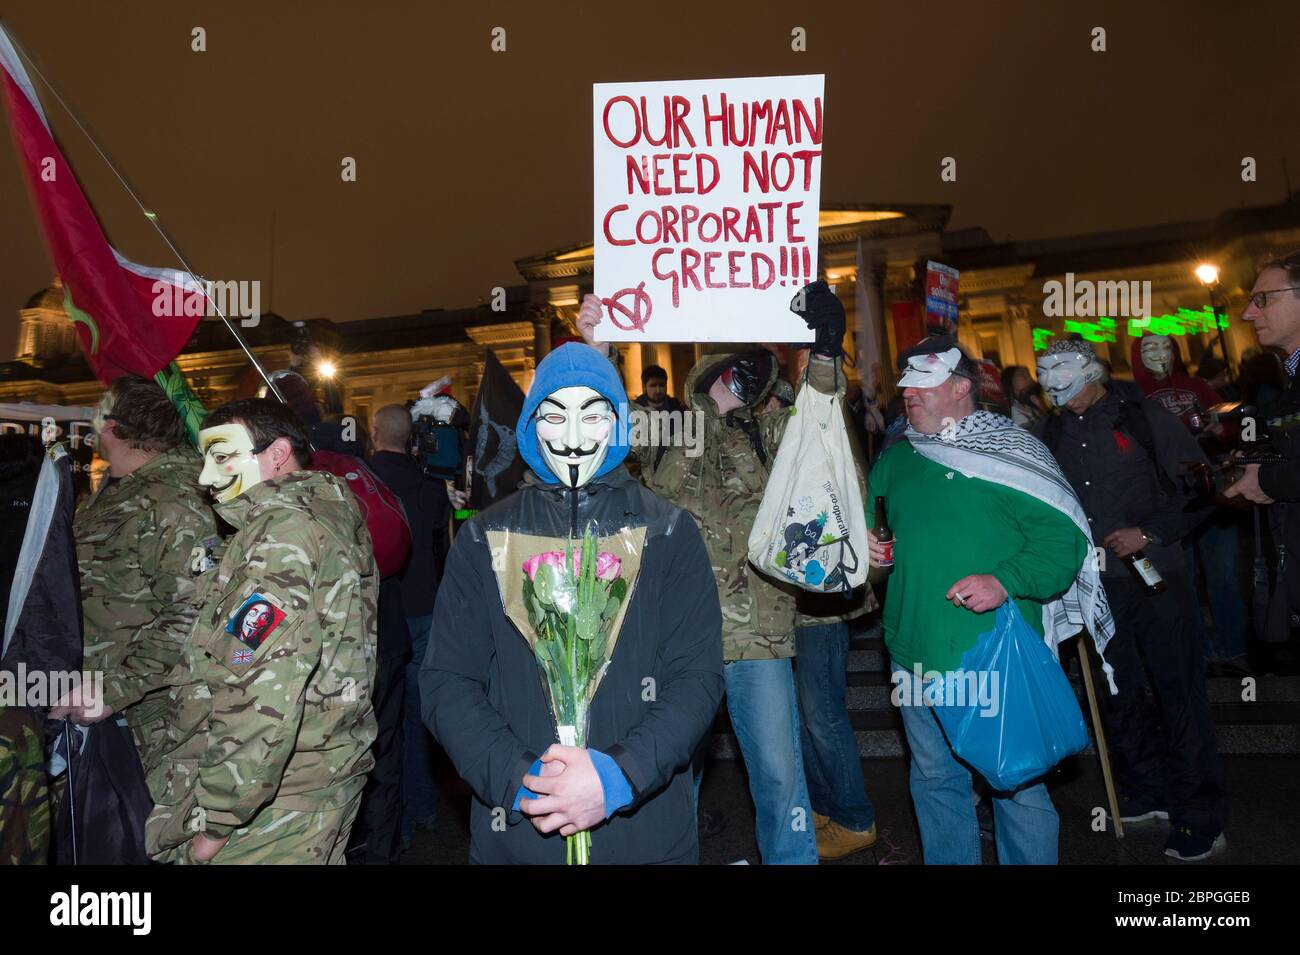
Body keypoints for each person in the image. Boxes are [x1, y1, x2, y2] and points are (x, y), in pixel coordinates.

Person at [578, 281, 849, 865]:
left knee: (780, 781)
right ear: (707, 373)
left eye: (756, 372)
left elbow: (819, 427)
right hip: (676, 644)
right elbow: (602, 429)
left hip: (758, 640)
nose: (747, 379)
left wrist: (824, 349)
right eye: (736, 369)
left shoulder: (770, 434)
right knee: (667, 782)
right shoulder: (667, 431)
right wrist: (597, 350)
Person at [421, 343, 725, 864]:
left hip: (645, 832)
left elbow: (697, 676)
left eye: (594, 414)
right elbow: (448, 679)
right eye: (555, 416)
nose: (575, 438)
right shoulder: (486, 536)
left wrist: (618, 774)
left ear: (618, 423)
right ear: (531, 425)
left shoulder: (668, 530)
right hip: (519, 837)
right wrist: (523, 780)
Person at [868, 338, 1102, 865]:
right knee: (933, 779)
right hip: (912, 651)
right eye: (905, 384)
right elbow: (875, 545)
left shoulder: (1013, 451)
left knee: (1014, 783)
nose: (908, 394)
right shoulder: (897, 456)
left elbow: (1065, 544)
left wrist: (1004, 580)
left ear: (960, 388)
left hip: (992, 650)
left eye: (923, 383)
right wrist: (870, 555)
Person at [144, 398, 378, 864]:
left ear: (277, 454)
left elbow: (261, 695)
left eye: (223, 457)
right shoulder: (322, 513)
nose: (206, 479)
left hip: (275, 805)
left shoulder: (282, 533)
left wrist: (218, 821)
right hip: (315, 780)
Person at [1036, 338, 1229, 861]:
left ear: (1092, 370)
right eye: (1046, 377)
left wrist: (1149, 531)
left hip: (1156, 578)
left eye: (1066, 376)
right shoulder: (1050, 431)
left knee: (1178, 691)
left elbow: (1202, 488)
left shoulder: (1145, 418)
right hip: (1095, 589)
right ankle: (1148, 788)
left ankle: (1199, 816)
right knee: (1117, 689)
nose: (1058, 388)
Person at [49, 376, 218, 777]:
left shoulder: (174, 499)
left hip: (145, 721)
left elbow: (195, 610)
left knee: (139, 837)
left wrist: (112, 691)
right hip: (96, 707)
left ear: (110, 427)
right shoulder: (120, 487)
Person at [1131, 334, 1249, 673]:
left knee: (1223, 574)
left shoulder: (1196, 386)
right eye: (1149, 348)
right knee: (1181, 580)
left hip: (1211, 496)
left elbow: (1230, 426)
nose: (1159, 353)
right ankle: (1196, 650)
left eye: (1166, 346)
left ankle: (1231, 648)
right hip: (1168, 502)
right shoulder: (1133, 396)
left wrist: (1220, 430)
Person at [369, 403, 451, 849]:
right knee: (420, 718)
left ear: (374, 430)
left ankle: (392, 823)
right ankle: (425, 806)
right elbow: (441, 530)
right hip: (426, 610)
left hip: (385, 614)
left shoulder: (361, 481)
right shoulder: (430, 486)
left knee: (386, 721)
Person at [1226, 251, 1300, 669]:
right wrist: (1261, 459)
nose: (1247, 312)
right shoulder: (1289, 373)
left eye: (1263, 299)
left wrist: (1265, 481)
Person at [1001, 365, 1046, 430]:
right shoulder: (1010, 410)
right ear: (1010, 379)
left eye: (1028, 374)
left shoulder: (1033, 401)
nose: (1028, 377)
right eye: (1021, 374)